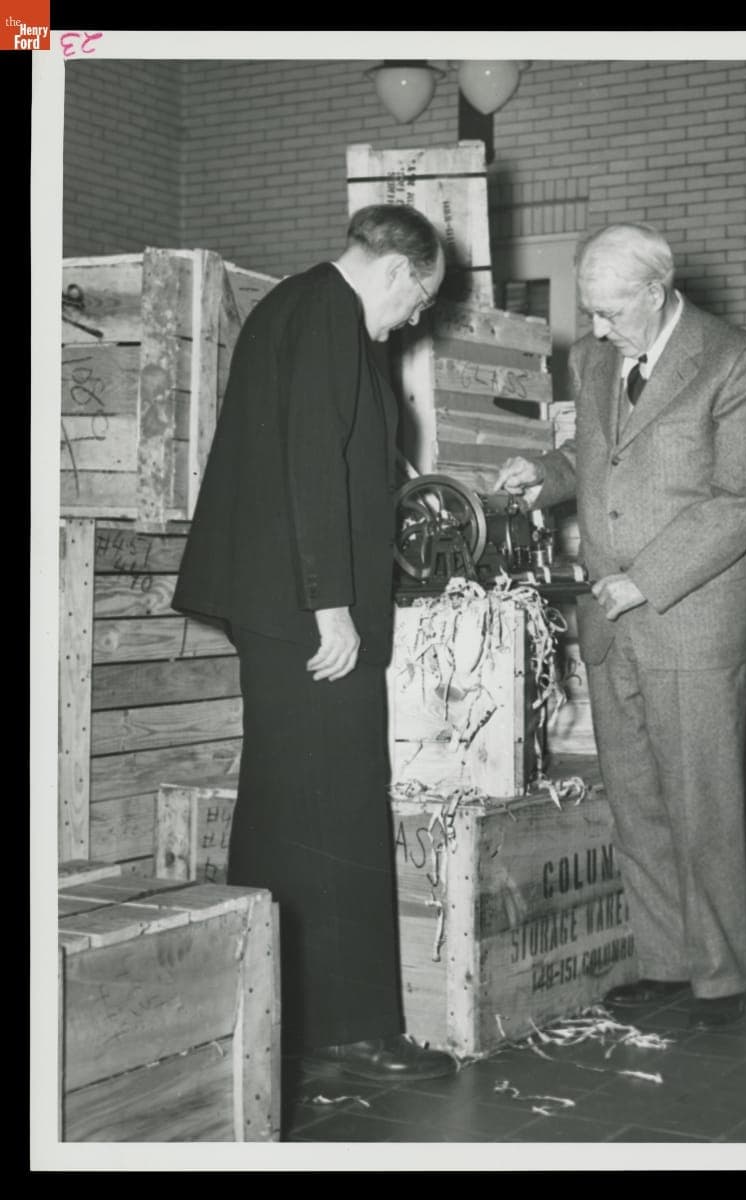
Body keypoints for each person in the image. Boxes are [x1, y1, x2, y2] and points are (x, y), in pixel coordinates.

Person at [172, 204, 456, 1080]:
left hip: (280, 604)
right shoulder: (333, 313)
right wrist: (333, 605)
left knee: (285, 807)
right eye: (421, 302)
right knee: (338, 805)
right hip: (311, 614)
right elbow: (307, 462)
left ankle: (276, 1014)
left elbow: (324, 457)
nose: (414, 320)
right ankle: (357, 1030)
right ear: (401, 273)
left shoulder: (293, 306)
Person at [494, 223, 746, 1028]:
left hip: (690, 616)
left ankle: (721, 975)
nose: (595, 329)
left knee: (703, 803)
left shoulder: (735, 360)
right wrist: (543, 479)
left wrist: (644, 581)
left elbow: (743, 499)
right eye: (590, 311)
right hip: (606, 614)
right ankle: (664, 960)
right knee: (638, 802)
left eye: (612, 311)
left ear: (657, 292)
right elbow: (597, 455)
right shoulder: (594, 358)